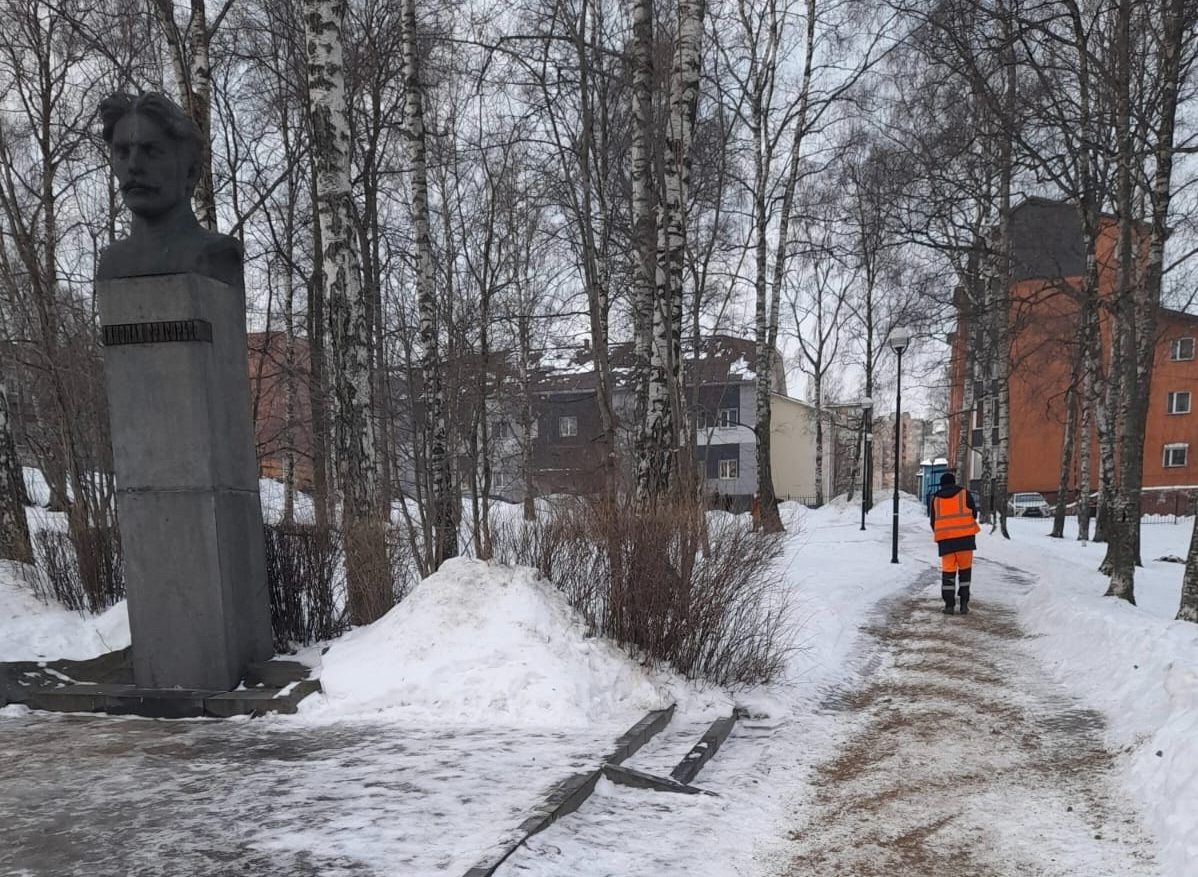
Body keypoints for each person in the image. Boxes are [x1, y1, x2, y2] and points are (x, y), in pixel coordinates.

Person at [96, 92, 243, 289]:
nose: (134, 165)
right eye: (122, 153)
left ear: (190, 171)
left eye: (151, 152)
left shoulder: (217, 254)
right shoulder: (111, 263)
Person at [929, 472, 980, 615]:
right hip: (965, 540)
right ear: (954, 482)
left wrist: (942, 532)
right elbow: (974, 513)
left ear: (942, 484)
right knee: (965, 573)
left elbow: (933, 521)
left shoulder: (936, 499)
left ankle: (949, 605)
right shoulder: (965, 494)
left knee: (948, 574)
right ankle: (964, 604)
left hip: (946, 542)